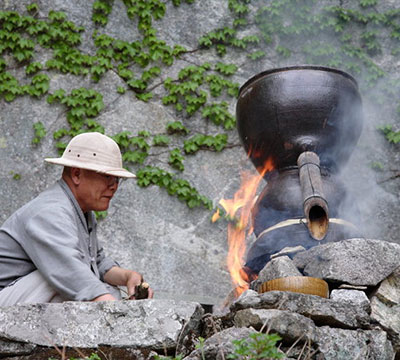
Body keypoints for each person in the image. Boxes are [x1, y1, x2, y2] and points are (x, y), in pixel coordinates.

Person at [0, 132, 153, 306]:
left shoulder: (80, 210)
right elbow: (68, 272)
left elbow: (96, 261)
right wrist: (121, 316)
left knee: (107, 289)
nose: (114, 186)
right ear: (76, 174)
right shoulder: (50, 211)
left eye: (117, 179)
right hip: (5, 302)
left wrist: (128, 277)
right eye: (107, 176)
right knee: (66, 281)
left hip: (19, 298)